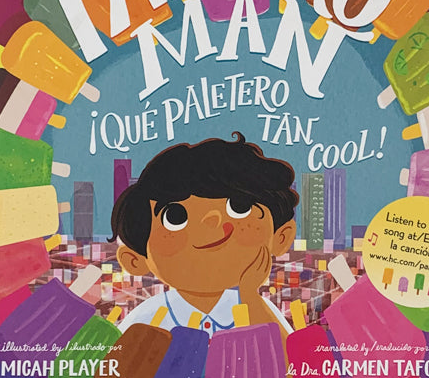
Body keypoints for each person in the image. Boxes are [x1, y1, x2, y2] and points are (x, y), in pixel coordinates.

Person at [111, 133, 298, 335]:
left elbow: (289, 355)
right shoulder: (147, 319)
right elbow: (116, 357)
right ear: (135, 260)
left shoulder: (259, 310)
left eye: (239, 206)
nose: (212, 220)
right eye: (174, 217)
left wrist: (250, 296)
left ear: (281, 238)